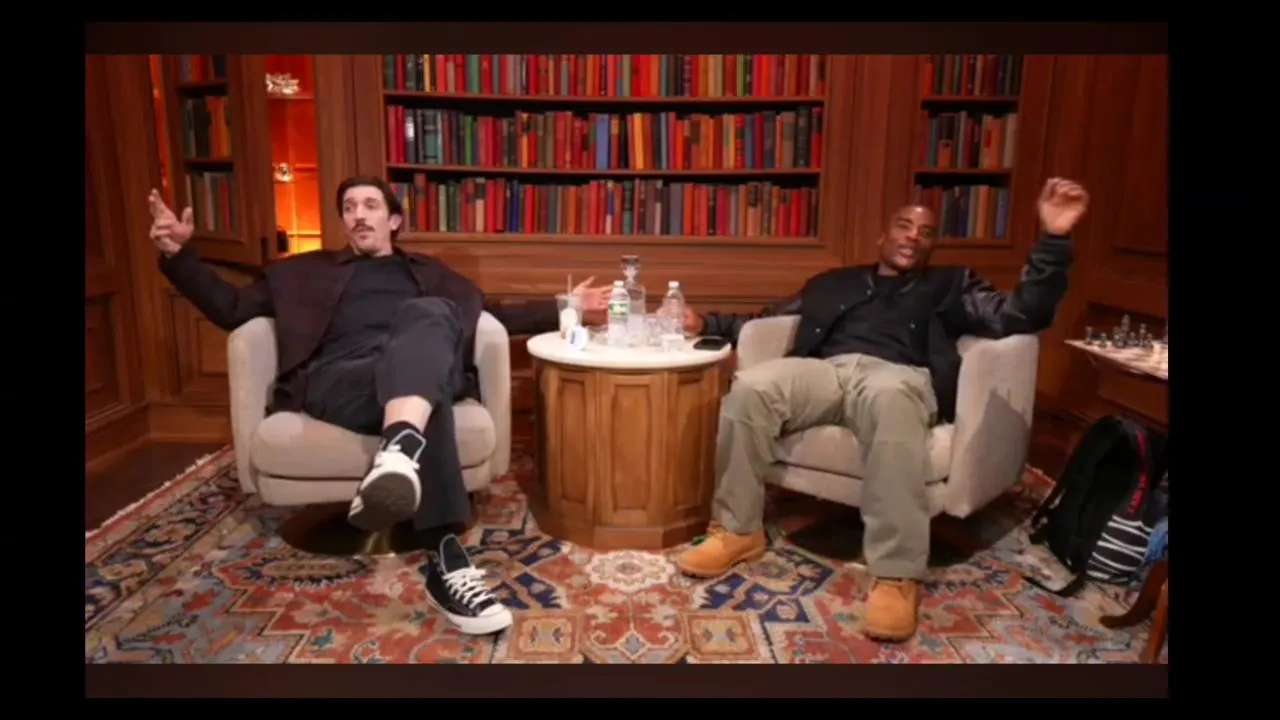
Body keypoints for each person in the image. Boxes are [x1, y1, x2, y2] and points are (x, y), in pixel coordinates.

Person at [148, 175, 607, 636]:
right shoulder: (303, 272)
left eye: (370, 205)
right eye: (349, 207)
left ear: (394, 220)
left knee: (429, 318)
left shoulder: (431, 275)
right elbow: (231, 308)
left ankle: (400, 450)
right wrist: (177, 254)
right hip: (344, 379)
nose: (359, 215)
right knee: (429, 397)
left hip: (417, 363)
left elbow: (493, 315)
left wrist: (567, 306)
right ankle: (445, 559)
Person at [671, 177, 1090, 643]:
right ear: (883, 236)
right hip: (826, 372)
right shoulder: (834, 282)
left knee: (889, 398)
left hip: (898, 375)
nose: (913, 235)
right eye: (904, 226)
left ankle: (895, 573)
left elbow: (1021, 315)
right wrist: (707, 321)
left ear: (932, 246)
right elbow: (769, 316)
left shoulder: (952, 284)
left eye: (926, 231)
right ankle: (737, 530)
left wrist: (1054, 239)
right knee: (752, 387)